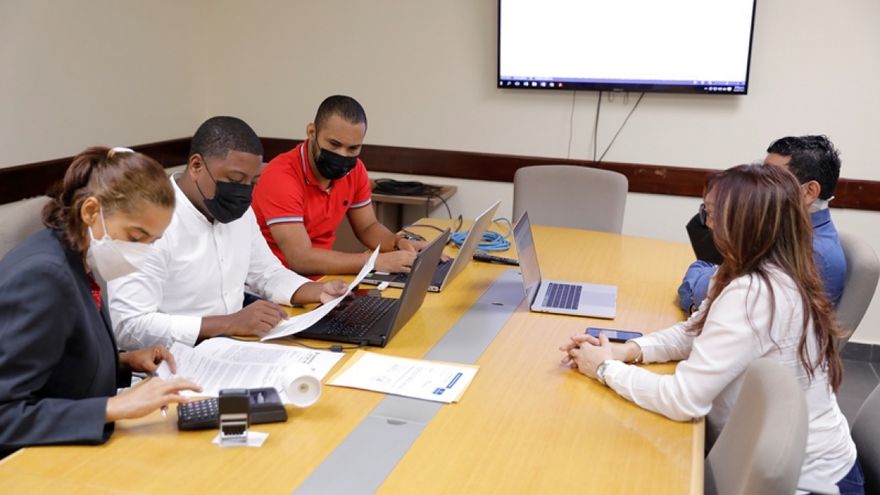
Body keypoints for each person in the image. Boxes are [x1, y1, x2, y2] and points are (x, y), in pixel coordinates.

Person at [561, 164, 862, 493]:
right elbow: (692, 331)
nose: (708, 223)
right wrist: (628, 350)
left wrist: (605, 368)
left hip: (810, 483)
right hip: (775, 459)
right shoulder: (754, 267)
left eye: (714, 213)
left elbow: (683, 399)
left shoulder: (755, 294)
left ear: (746, 222)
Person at [0, 147, 200, 457]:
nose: (143, 252)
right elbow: (6, 415)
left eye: (153, 242)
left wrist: (123, 361)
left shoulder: (78, 256)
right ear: (91, 211)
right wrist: (114, 407)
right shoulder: (44, 276)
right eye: (136, 238)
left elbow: (55, 358)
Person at [109, 117, 347, 350]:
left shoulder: (240, 214)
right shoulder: (146, 223)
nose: (243, 192)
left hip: (234, 346)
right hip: (171, 358)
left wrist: (318, 291)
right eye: (235, 179)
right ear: (196, 166)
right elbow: (129, 327)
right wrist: (229, 323)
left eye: (252, 182)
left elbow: (266, 273)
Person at [251, 95, 429, 277]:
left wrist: (397, 243)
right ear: (312, 132)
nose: (342, 155)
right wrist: (374, 262)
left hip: (323, 277)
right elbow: (300, 259)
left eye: (353, 149)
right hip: (276, 282)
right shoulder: (280, 177)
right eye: (334, 144)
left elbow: (367, 227)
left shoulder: (355, 170)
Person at [678, 135, 846, 313]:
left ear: (809, 192)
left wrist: (695, 293)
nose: (758, 186)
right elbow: (712, 275)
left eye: (770, 179)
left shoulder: (808, 253)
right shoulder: (780, 229)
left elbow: (711, 293)